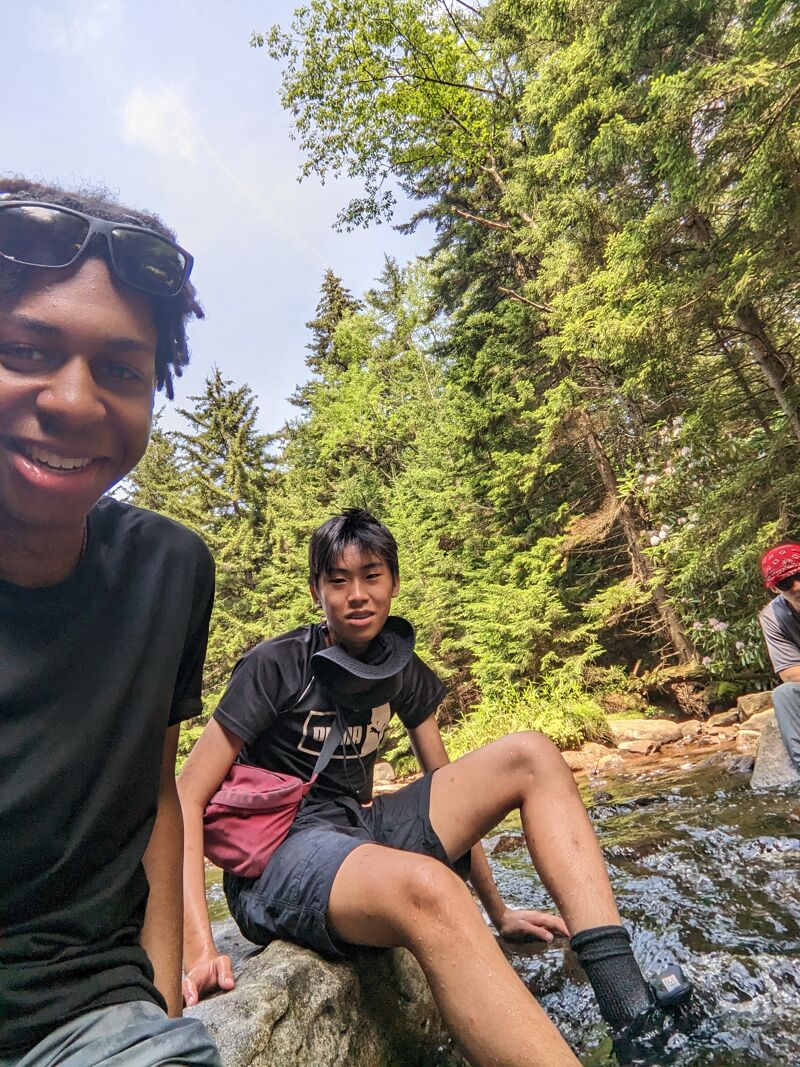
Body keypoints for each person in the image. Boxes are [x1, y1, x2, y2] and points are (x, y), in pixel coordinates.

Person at [179, 508, 691, 1066]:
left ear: (394, 583)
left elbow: (444, 794)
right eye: (338, 580)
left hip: (358, 828)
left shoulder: (400, 670)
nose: (357, 594)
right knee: (431, 888)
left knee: (533, 754)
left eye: (372, 576)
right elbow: (186, 797)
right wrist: (200, 948)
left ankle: (634, 1015)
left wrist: (499, 912)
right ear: (316, 591)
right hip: (279, 854)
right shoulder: (274, 665)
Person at [0, 179, 221, 1066]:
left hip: (84, 1017)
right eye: (26, 349)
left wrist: (160, 1004)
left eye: (122, 369)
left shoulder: (167, 574)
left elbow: (156, 795)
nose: (76, 401)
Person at [758, 542, 800, 770]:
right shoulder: (773, 617)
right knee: (784, 695)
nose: (797, 586)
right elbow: (791, 674)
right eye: (785, 582)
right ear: (775, 589)